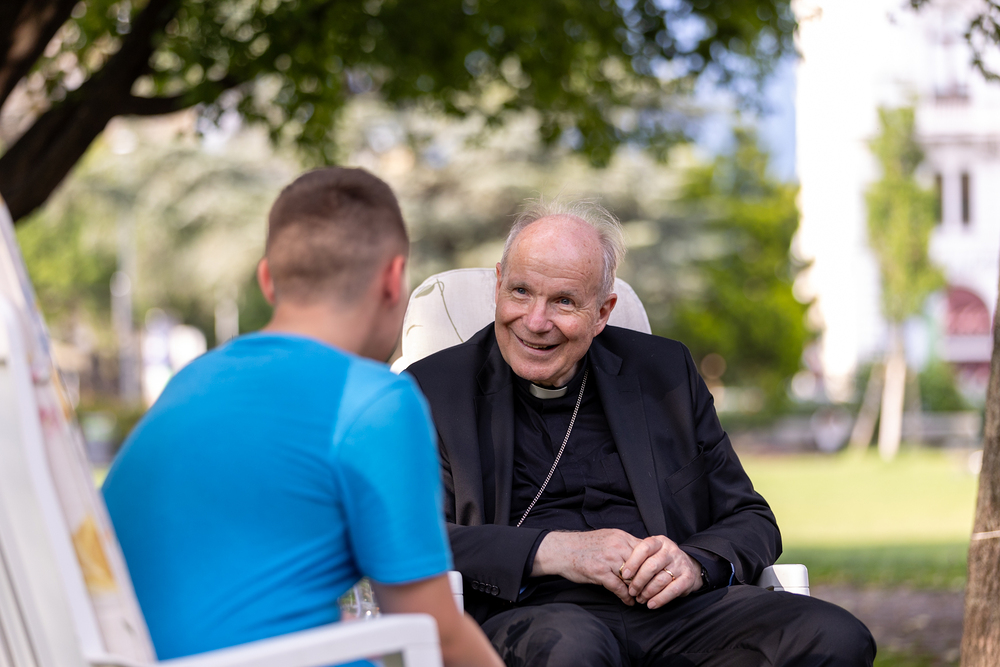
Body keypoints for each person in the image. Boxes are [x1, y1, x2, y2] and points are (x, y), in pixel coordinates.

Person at [406, 200, 876, 666]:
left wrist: (694, 563)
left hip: (673, 614)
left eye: (564, 301)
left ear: (602, 312)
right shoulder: (433, 390)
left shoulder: (664, 374)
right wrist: (555, 551)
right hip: (534, 617)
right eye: (521, 292)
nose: (535, 321)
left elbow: (750, 516)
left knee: (836, 637)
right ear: (498, 285)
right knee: (575, 648)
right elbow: (413, 537)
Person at [103, 167, 502, 667]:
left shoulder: (191, 381)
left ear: (267, 279)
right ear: (392, 279)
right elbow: (434, 633)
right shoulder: (374, 401)